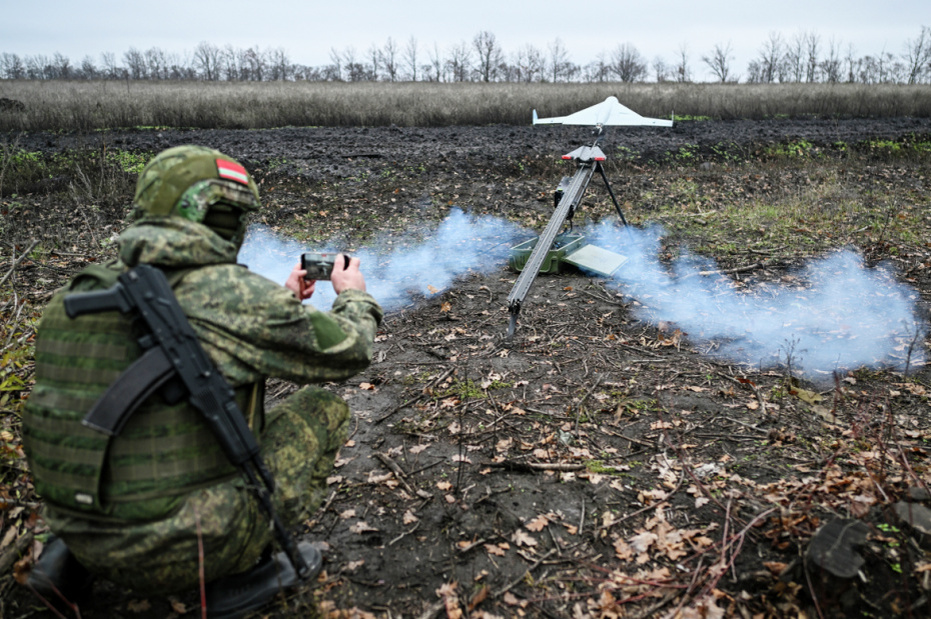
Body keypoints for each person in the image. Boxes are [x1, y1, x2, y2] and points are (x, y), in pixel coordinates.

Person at [22, 145, 383, 612]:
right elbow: (351, 350)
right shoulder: (229, 295)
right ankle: (238, 571)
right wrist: (354, 296)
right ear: (225, 218)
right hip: (179, 551)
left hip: (78, 528)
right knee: (322, 408)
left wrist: (283, 301)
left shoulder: (78, 294)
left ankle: (66, 562)